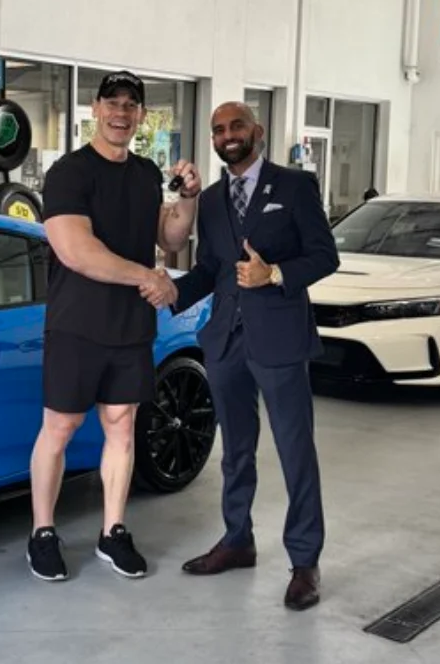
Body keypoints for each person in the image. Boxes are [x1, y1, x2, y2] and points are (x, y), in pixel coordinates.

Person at [27, 70, 201, 582]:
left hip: (130, 325)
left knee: (122, 426)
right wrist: (148, 277)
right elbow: (76, 251)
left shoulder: (146, 173)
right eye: (112, 103)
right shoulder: (69, 173)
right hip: (77, 324)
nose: (121, 113)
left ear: (141, 115)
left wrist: (189, 197)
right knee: (60, 427)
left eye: (130, 105)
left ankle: (113, 531)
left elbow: (171, 239)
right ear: (96, 109)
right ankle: (42, 532)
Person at [164, 101, 339, 610]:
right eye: (218, 129)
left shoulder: (295, 186)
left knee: (294, 451)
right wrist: (171, 290)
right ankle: (237, 539)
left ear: (256, 131)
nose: (228, 135)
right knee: (235, 451)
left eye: (236, 125)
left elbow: (325, 255)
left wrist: (275, 274)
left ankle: (304, 561)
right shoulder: (211, 200)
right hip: (225, 341)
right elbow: (210, 269)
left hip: (279, 338)